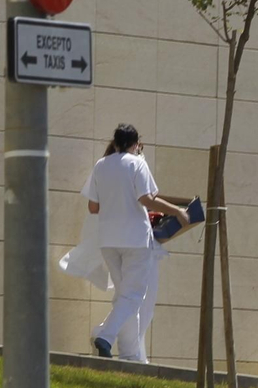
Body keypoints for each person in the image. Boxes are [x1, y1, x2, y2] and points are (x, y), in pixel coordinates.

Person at [81, 123, 190, 362]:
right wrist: (178, 212)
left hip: (108, 240)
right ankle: (106, 336)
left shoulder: (101, 165)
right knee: (133, 296)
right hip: (135, 240)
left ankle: (130, 355)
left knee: (124, 296)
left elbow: (93, 207)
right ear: (135, 143)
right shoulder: (137, 163)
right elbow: (147, 199)